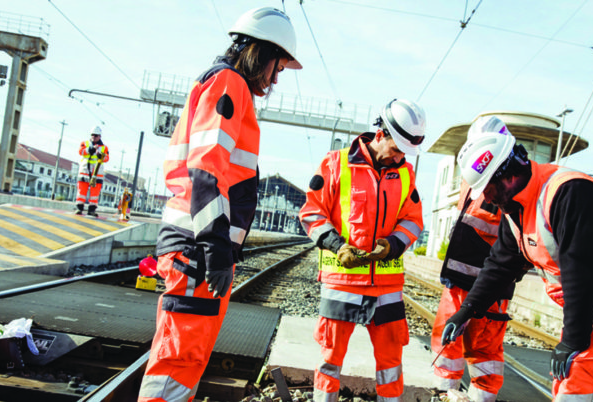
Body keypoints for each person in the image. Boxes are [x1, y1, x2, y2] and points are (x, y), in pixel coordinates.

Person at [442, 115, 593, 401]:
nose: (487, 199)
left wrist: (573, 339)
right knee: (564, 376)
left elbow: (582, 270)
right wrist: (467, 311)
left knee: (578, 373)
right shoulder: (516, 210)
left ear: (508, 175)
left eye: (488, 188)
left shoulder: (570, 193)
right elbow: (500, 266)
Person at [138, 7, 302, 402]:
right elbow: (206, 169)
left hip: (195, 241)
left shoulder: (227, 85)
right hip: (197, 243)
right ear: (261, 52)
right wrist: (215, 248)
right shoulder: (229, 84)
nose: (276, 78)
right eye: (277, 67)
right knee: (178, 358)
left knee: (185, 356)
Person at [299, 98, 425, 402]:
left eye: (404, 154)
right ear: (380, 135)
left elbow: (413, 221)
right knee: (330, 359)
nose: (398, 159)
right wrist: (336, 245)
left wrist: (393, 244)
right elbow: (312, 213)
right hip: (342, 284)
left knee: (391, 364)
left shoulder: (405, 174)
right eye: (396, 150)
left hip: (387, 287)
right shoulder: (336, 164)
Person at [430, 119, 513, 402]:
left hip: (490, 287)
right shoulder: (471, 177)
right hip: (457, 277)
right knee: (446, 338)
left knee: (484, 351)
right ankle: (443, 394)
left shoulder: (511, 186)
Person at [75, 126, 109, 217]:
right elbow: (81, 151)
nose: (94, 137)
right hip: (84, 171)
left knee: (95, 193)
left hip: (97, 174)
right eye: (92, 135)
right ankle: (79, 208)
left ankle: (92, 210)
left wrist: (100, 155)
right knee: (81, 191)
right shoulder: (84, 143)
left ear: (100, 136)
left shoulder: (104, 147)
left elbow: (106, 158)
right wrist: (91, 149)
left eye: (96, 135)